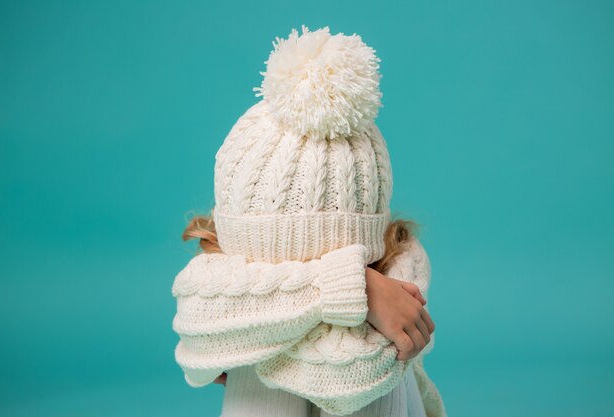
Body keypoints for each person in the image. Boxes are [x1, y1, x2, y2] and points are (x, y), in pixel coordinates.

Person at [170, 25, 447, 416]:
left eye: (303, 261)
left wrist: (249, 331)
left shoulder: (404, 277)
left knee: (263, 377)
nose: (281, 273)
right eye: (264, 267)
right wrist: (354, 286)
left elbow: (349, 380)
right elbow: (195, 327)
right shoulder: (367, 286)